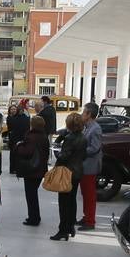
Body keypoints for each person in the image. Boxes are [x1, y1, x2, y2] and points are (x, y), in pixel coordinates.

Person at [51, 113, 86, 241]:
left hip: (67, 172)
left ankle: (63, 230)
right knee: (71, 201)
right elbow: (84, 155)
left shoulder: (70, 138)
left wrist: (58, 154)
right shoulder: (83, 137)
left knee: (64, 202)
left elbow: (64, 156)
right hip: (77, 171)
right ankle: (70, 226)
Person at [15, 115, 50, 227]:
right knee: (33, 194)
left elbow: (27, 152)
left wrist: (19, 145)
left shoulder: (31, 136)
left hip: (31, 170)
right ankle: (35, 216)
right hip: (40, 169)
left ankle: (33, 218)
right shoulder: (44, 136)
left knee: (30, 195)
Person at [77, 103, 103, 231]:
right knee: (85, 193)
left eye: (84, 112)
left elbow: (95, 148)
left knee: (89, 195)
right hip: (84, 165)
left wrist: (80, 150)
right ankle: (86, 216)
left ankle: (90, 221)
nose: (82, 114)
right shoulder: (87, 127)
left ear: (89, 115)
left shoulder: (95, 129)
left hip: (90, 166)